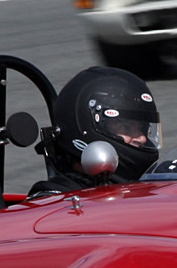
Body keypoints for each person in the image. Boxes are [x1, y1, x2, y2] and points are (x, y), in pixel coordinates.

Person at [29, 66, 162, 195]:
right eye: (126, 128)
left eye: (141, 128)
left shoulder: (154, 184)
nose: (142, 138)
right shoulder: (54, 200)